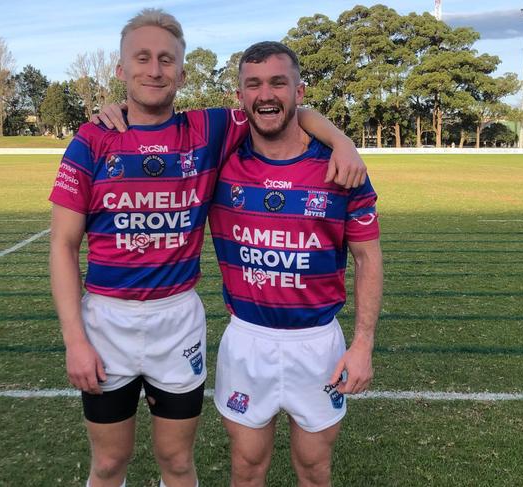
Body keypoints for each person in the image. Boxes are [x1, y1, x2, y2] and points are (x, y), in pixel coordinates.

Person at [50, 9, 366, 487]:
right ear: (120, 69)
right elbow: (62, 246)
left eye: (166, 59)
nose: (154, 69)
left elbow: (284, 107)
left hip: (177, 321)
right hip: (105, 321)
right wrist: (75, 340)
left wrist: (342, 141)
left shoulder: (210, 130)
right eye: (142, 58)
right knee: (109, 463)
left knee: (178, 462)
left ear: (182, 71)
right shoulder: (92, 139)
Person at [207, 42, 383, 486]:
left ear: (299, 91)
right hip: (248, 340)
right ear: (240, 97)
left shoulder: (342, 170)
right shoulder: (218, 161)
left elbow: (368, 258)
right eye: (254, 84)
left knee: (314, 469)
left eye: (278, 83)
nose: (266, 94)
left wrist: (362, 345)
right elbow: (159, 125)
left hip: (317, 345)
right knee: (246, 469)